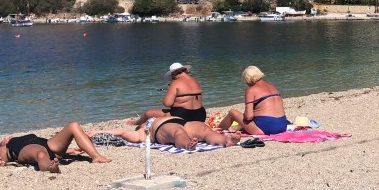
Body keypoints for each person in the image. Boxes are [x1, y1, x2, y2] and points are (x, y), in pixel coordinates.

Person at [0, 122, 112, 173]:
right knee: (40, 154)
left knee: (73, 126)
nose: (6, 137)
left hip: (48, 144)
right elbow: (0, 159)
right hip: (27, 148)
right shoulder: (5, 145)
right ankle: (49, 167)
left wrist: (70, 150)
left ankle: (96, 156)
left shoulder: (9, 141)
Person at [127, 62, 206, 127]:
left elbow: (167, 103)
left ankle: (135, 123)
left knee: (148, 113)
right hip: (200, 115)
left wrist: (169, 90)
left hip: (183, 116)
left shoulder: (175, 83)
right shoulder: (195, 81)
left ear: (173, 74)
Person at [217, 65, 289, 135]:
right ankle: (236, 128)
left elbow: (249, 117)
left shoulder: (251, 90)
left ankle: (216, 130)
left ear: (248, 79)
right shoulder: (272, 86)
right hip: (282, 125)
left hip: (266, 128)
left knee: (233, 113)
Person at [96, 115, 236, 150]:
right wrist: (97, 132)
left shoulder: (143, 129)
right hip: (172, 125)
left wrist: (97, 130)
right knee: (179, 133)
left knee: (205, 131)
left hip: (179, 122)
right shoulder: (143, 132)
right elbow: (121, 132)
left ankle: (226, 140)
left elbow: (121, 131)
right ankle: (188, 144)